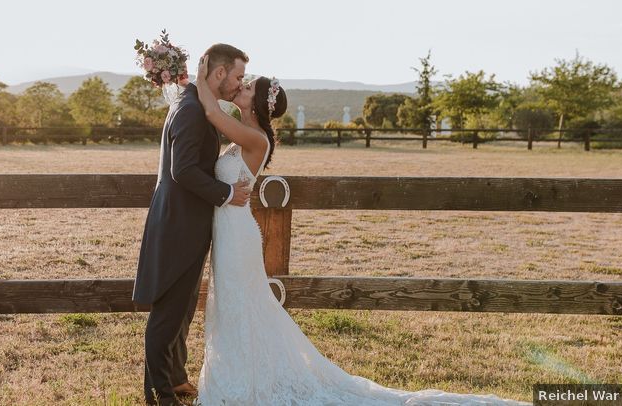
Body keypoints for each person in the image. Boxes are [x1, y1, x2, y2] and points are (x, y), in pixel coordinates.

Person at [191, 54, 531, 406]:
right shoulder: (246, 131)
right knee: (237, 307)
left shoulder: (256, 138)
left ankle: (242, 383)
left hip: (238, 236)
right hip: (230, 231)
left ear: (258, 103)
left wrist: (198, 78)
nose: (239, 88)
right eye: (242, 82)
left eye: (246, 87)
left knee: (241, 306)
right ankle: (242, 374)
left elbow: (213, 114)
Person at [132, 44, 254, 405]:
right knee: (168, 313)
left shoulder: (196, 105)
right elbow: (181, 169)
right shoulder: (190, 111)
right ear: (219, 74)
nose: (238, 83)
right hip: (178, 225)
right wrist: (226, 193)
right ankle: (159, 393)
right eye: (237, 77)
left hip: (186, 223)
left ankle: (176, 376)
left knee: (183, 308)